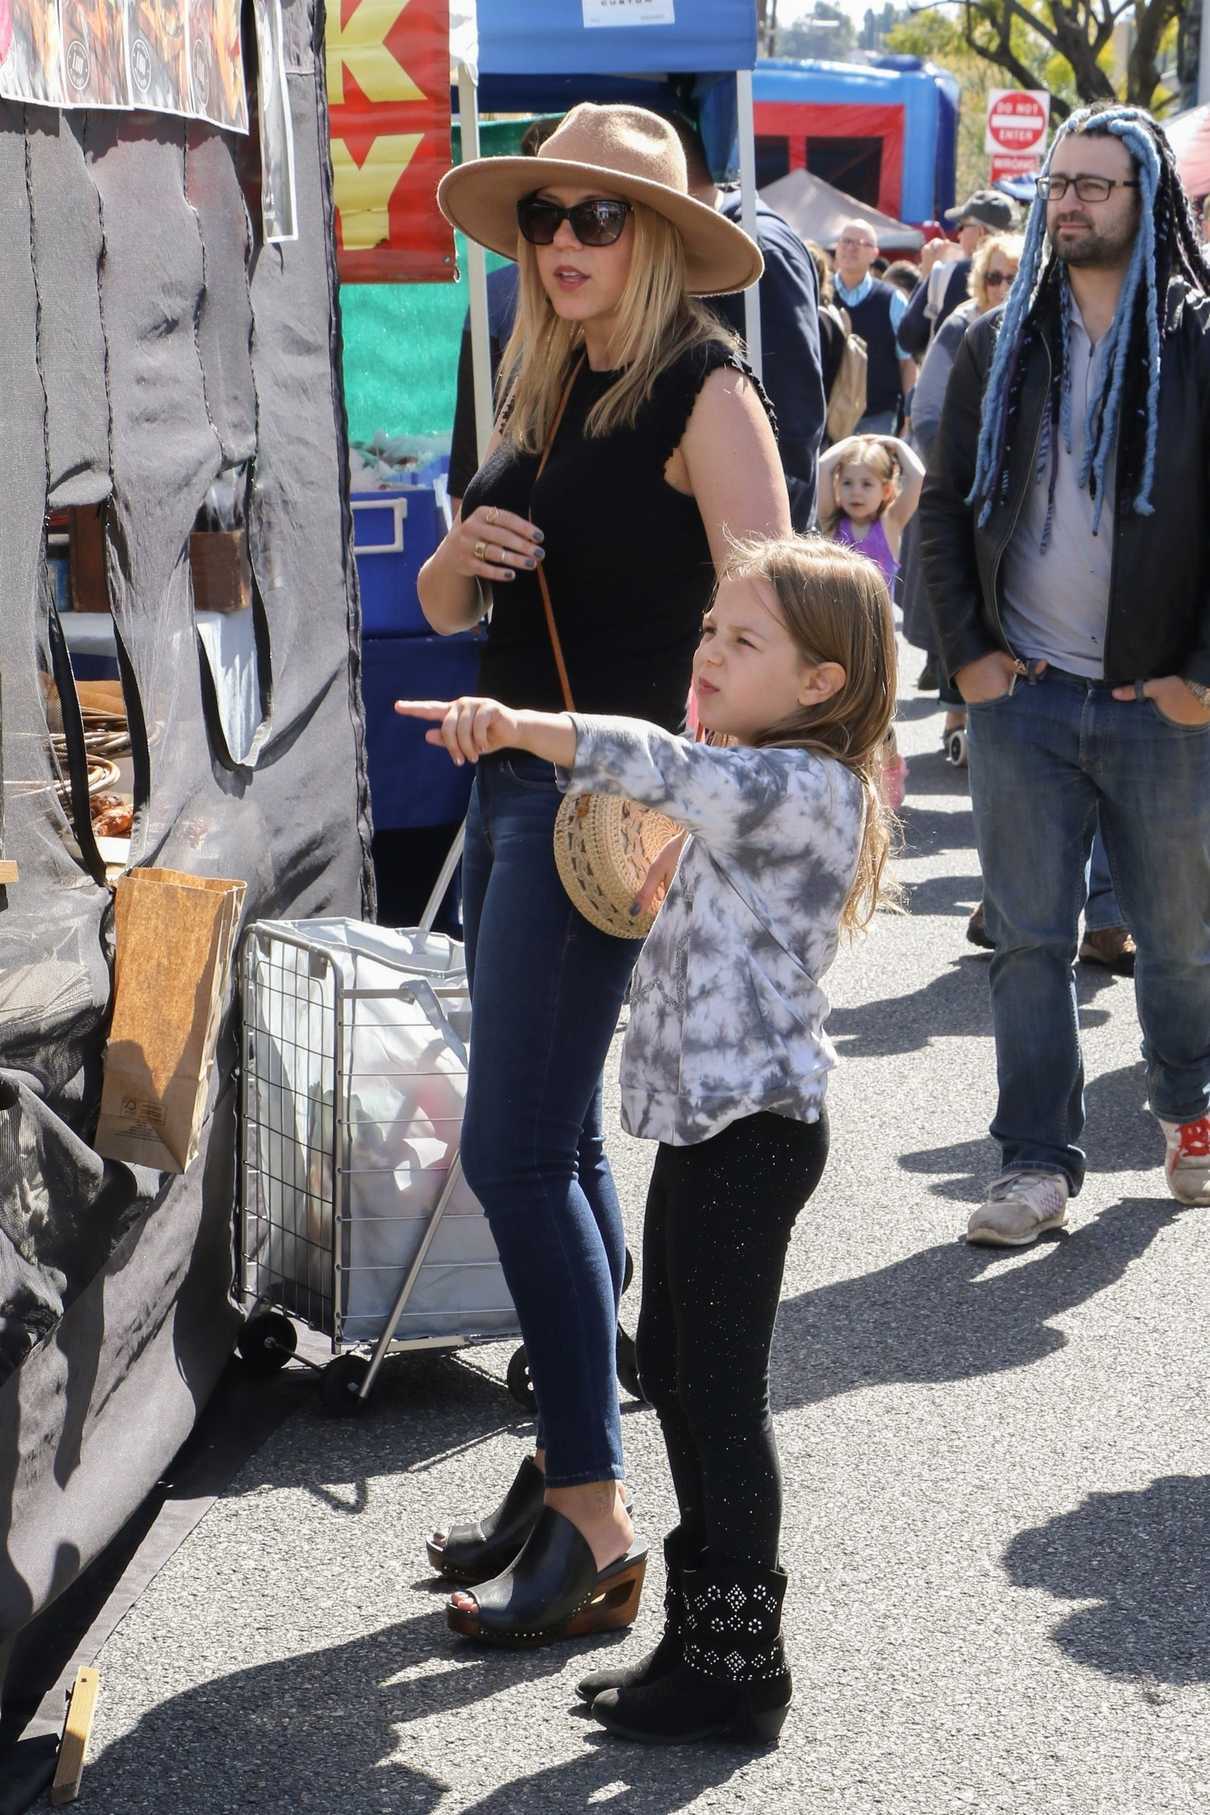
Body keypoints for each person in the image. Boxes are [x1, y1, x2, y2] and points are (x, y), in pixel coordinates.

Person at [397, 532, 898, 1744]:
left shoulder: (804, 789)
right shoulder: (751, 774)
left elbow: (655, 760)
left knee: (718, 1400)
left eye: (744, 640)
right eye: (709, 631)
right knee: (675, 1373)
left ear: (822, 681)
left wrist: (522, 723)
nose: (710, 652)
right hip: (706, 1135)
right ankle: (699, 1635)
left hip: (754, 1139)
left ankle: (738, 1664)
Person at [415, 103, 789, 1644]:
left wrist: (701, 795)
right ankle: (576, 1456)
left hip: (607, 810)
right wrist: (465, 555)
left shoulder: (704, 386)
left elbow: (788, 623)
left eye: (599, 217)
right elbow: (446, 602)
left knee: (510, 1152)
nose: (564, 240)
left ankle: (591, 1508)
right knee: (550, 1143)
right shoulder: (541, 389)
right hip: (513, 790)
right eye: (545, 215)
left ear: (655, 238)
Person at [919, 103, 1210, 1246]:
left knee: (1181, 938)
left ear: (1150, 203)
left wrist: (1200, 676)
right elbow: (938, 511)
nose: (1071, 201)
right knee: (1030, 943)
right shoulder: (999, 343)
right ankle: (1033, 1163)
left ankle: (1189, 1111)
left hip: (1162, 711)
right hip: (1023, 699)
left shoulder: (1198, 343)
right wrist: (968, 662)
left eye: (1097, 184)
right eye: (1059, 183)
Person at [899, 189, 1017, 359]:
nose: (959, 234)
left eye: (962, 226)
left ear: (981, 232)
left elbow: (907, 338)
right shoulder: (1029, 275)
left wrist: (927, 273)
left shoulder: (948, 273)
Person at [831, 218, 916, 433]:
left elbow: (907, 362)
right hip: (827, 414)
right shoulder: (819, 293)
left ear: (874, 253)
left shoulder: (892, 300)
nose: (850, 248)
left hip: (879, 417)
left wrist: (909, 414)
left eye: (859, 243)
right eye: (846, 241)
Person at [819, 432, 924, 592]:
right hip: (836, 617)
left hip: (878, 617)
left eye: (866, 484)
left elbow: (918, 478)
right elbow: (823, 466)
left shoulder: (890, 523)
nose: (856, 492)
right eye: (847, 483)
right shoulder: (832, 524)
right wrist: (853, 441)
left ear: (887, 490)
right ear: (837, 486)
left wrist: (898, 445)